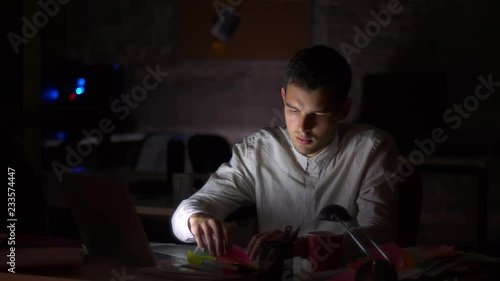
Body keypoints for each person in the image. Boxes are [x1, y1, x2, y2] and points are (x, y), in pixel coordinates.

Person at [171, 45, 400, 264]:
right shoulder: (258, 151)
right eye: (293, 110)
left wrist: (303, 247)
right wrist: (196, 218)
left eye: (318, 113)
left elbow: (379, 235)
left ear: (343, 110)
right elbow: (185, 213)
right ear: (283, 97)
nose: (302, 126)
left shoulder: (371, 149)